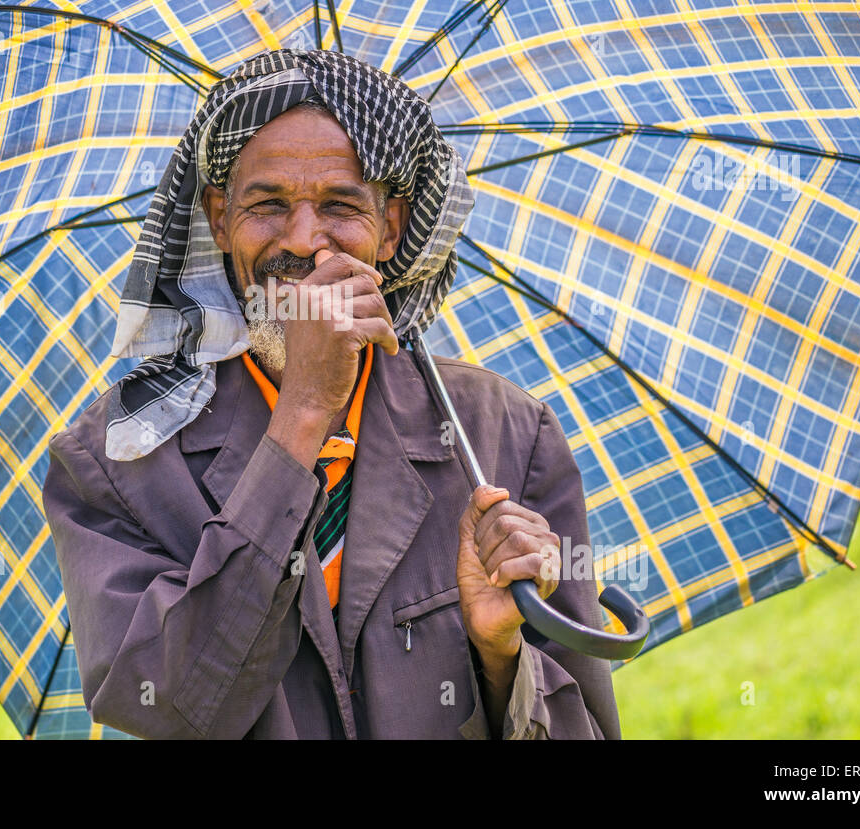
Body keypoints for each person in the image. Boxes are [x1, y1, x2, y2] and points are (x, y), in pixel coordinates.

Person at [42, 48, 620, 739]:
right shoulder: (120, 457)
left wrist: (500, 657)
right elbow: (168, 703)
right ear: (219, 219)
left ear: (393, 227)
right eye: (268, 205)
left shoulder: (503, 435)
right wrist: (304, 413)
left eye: (341, 205)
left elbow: (587, 727)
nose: (304, 239)